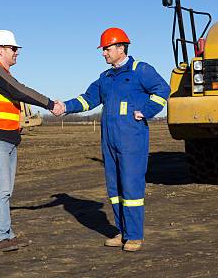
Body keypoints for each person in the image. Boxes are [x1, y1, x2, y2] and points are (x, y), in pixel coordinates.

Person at [53, 27, 170, 252]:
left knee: (131, 186)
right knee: (114, 188)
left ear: (120, 47)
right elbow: (88, 99)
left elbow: (162, 89)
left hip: (132, 139)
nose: (103, 53)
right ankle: (122, 232)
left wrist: (146, 110)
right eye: (103, 49)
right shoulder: (105, 78)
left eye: (106, 48)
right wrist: (65, 107)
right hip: (109, 140)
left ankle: (134, 235)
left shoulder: (140, 70)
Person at [0, 29, 62, 253]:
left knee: (5, 188)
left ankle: (6, 234)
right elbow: (20, 91)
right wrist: (50, 104)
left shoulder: (2, 73)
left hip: (7, 138)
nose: (17, 53)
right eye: (14, 49)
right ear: (1, 49)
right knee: (1, 187)